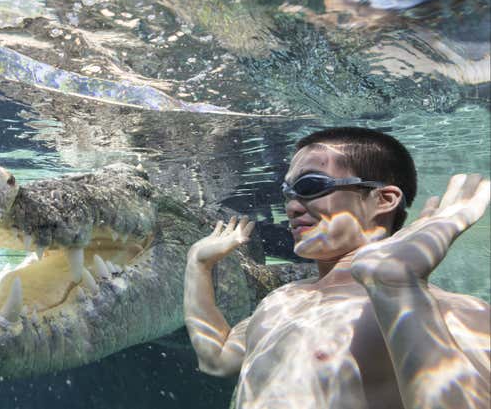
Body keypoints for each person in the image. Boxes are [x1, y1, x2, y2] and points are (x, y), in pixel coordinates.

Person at [184, 127, 490, 409]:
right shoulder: (283, 301)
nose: (290, 205)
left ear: (383, 200)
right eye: (287, 192)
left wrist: (397, 286)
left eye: (310, 185)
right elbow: (217, 359)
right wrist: (198, 263)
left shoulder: (450, 311)